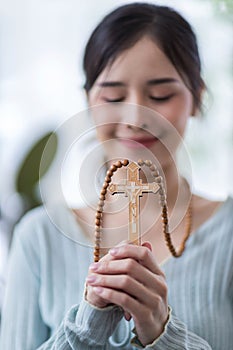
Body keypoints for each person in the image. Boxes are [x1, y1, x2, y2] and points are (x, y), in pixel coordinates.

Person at [0, 3, 232, 349]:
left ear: (197, 97)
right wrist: (88, 325)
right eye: (113, 96)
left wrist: (161, 332)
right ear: (89, 101)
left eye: (160, 95)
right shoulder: (39, 239)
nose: (135, 116)